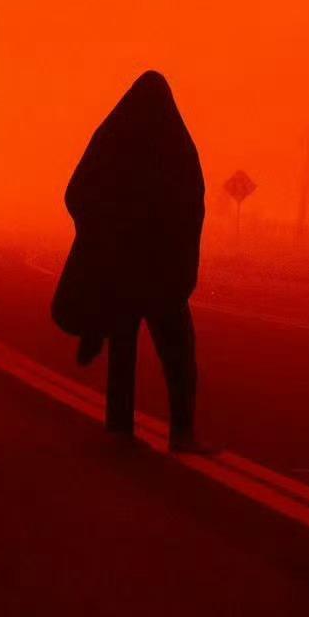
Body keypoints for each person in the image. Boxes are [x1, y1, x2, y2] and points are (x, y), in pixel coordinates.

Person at [52, 71, 210, 453]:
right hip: (161, 274)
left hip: (123, 271)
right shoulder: (177, 147)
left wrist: (104, 234)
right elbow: (193, 208)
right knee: (179, 355)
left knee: (124, 346)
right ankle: (181, 434)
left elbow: (77, 193)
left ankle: (119, 428)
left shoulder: (110, 141)